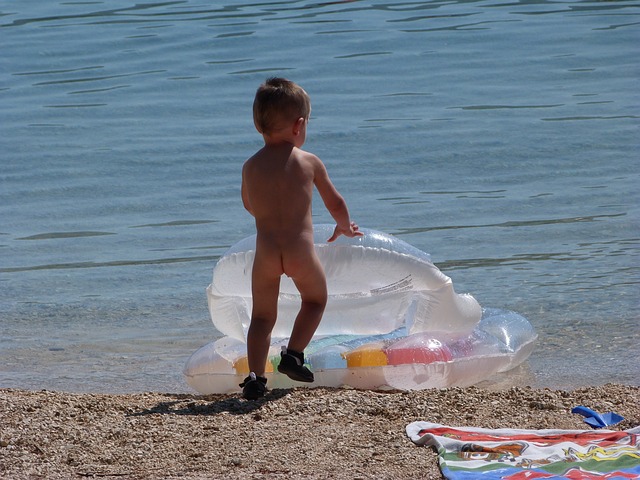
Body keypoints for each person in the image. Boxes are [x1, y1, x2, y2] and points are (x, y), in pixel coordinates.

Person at [240, 77, 363, 399]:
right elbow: (335, 202)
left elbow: (249, 205)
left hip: (265, 253)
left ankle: (254, 377)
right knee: (315, 300)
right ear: (299, 125)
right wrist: (345, 227)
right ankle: (293, 355)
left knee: (262, 317)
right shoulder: (308, 162)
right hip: (299, 250)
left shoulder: (250, 166)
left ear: (258, 126)